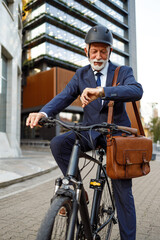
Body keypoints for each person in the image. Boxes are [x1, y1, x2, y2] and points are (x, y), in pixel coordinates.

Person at [26, 24, 143, 240]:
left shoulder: (122, 71)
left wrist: (102, 91)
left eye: (103, 51)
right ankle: (79, 193)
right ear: (86, 51)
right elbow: (64, 96)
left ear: (110, 52)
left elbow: (136, 90)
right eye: (94, 50)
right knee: (58, 144)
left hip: (117, 135)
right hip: (91, 132)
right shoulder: (81, 75)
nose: (98, 56)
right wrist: (43, 113)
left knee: (123, 194)